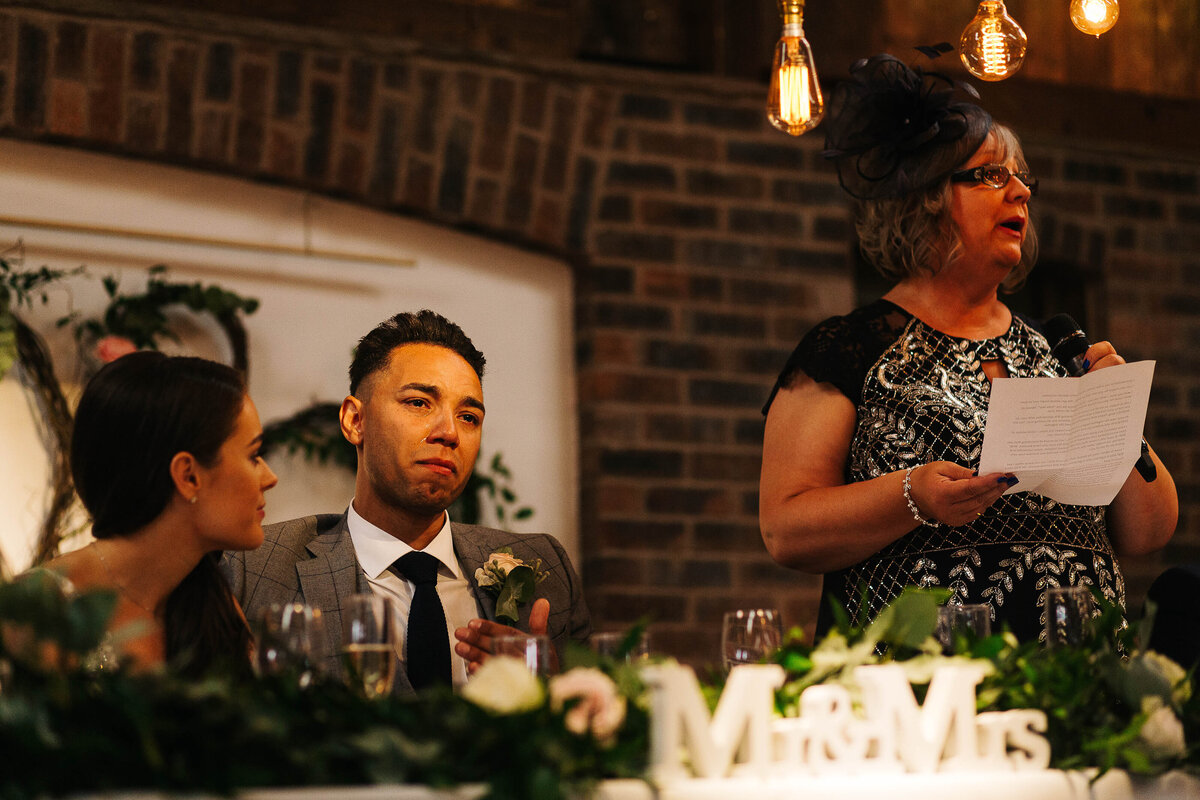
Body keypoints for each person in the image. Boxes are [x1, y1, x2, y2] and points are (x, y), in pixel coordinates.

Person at [758, 54, 1178, 643]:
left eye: (1023, 177)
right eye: (991, 176)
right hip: (925, 686)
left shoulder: (1054, 352)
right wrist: (911, 496)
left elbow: (1148, 533)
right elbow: (785, 529)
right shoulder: (852, 348)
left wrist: (1117, 416)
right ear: (925, 198)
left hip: (1078, 685)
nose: (1021, 191)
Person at [224, 310, 591, 693]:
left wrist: (549, 692)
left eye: (468, 417)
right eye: (418, 403)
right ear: (354, 421)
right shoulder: (254, 570)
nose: (449, 432)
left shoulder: (546, 570)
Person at [42, 352, 278, 675]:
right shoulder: (43, 610)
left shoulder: (212, 607)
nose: (270, 477)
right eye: (254, 456)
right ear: (188, 476)